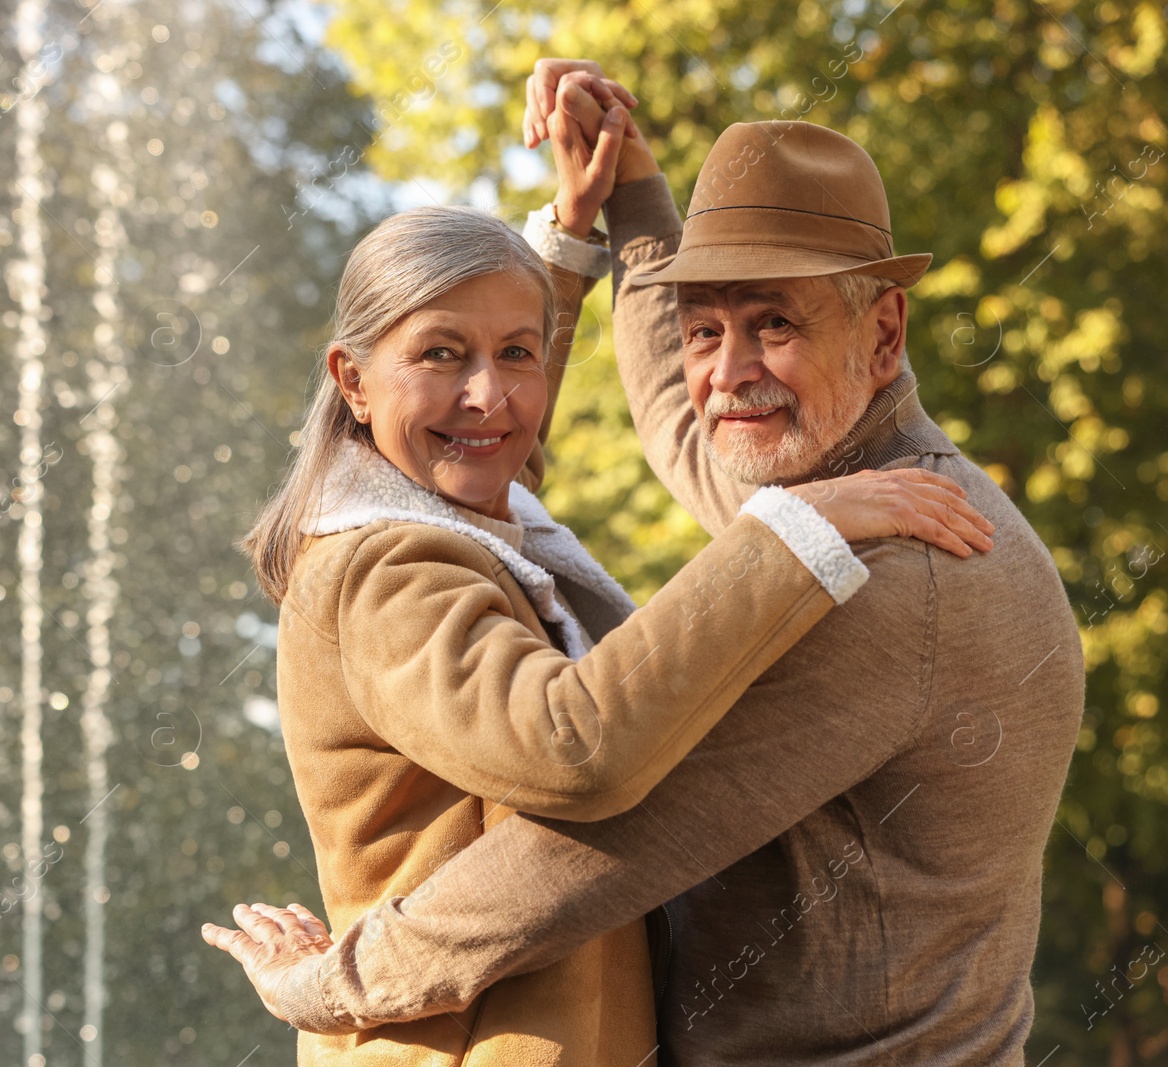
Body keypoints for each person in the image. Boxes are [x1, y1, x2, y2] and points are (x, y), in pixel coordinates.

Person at [203, 62, 1085, 1065]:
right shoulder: (847, 484)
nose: (727, 371)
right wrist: (623, 202)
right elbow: (677, 407)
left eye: (775, 324)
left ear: (881, 334)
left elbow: (590, 846)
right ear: (351, 382)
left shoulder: (891, 563)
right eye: (705, 325)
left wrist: (331, 984)